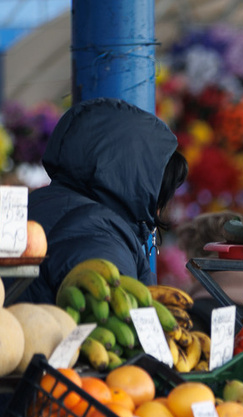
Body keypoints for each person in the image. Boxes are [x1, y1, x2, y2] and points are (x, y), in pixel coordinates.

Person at [14, 97, 188, 304]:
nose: (161, 207)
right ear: (136, 177)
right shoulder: (98, 235)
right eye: (162, 190)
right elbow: (114, 326)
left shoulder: (40, 202)